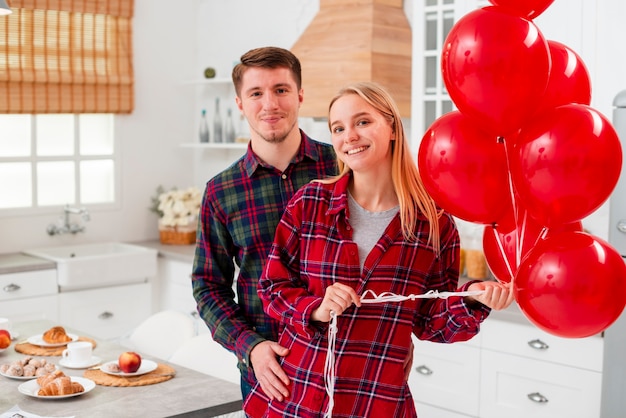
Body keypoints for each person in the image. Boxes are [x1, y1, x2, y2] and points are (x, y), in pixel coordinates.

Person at [243, 82, 514, 417]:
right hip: (297, 394)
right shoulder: (309, 203)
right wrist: (315, 307)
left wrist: (472, 298)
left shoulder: (433, 223)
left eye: (362, 122)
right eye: (338, 128)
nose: (349, 137)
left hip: (377, 400)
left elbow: (431, 321)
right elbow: (271, 288)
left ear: (392, 128)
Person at [191, 46, 339, 401]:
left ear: (300, 95)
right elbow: (208, 287)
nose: (269, 104)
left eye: (281, 90)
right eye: (256, 93)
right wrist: (250, 347)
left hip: (347, 360)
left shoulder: (342, 166)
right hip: (272, 373)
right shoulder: (221, 192)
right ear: (240, 103)